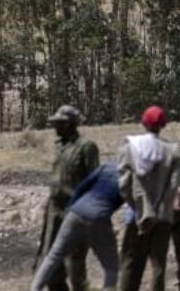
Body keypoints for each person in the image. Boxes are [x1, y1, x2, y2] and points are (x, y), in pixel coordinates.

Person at [117, 106, 180, 291]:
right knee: (158, 266)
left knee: (130, 264)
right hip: (163, 217)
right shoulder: (174, 151)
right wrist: (162, 208)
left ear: (143, 123)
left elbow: (123, 185)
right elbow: (173, 186)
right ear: (163, 125)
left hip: (136, 217)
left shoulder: (130, 147)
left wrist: (137, 207)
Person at [31, 162, 123, 291]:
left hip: (76, 212)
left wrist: (71, 208)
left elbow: (82, 187)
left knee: (53, 256)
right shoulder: (130, 175)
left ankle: (35, 288)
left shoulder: (107, 167)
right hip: (99, 217)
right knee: (111, 266)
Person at [38, 105, 100, 291]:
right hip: (54, 211)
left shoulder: (86, 147)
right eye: (55, 123)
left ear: (72, 124)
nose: (56, 127)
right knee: (50, 267)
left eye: (61, 123)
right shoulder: (59, 147)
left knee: (75, 269)